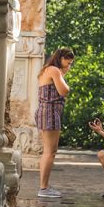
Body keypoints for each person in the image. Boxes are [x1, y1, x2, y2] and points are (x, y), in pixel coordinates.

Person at [35, 47, 75, 198]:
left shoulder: (49, 69)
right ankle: (43, 188)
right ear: (60, 58)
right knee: (50, 152)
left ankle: (44, 186)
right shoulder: (54, 70)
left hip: (48, 111)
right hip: (50, 112)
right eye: (67, 62)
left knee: (49, 151)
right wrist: (63, 75)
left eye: (70, 64)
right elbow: (64, 90)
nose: (68, 66)